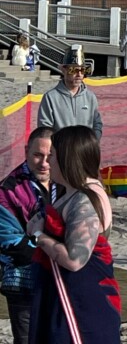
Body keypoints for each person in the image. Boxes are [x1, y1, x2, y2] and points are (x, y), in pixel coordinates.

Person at [26, 126, 121, 342]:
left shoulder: (84, 199)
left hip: (79, 299)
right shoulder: (72, 191)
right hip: (63, 292)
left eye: (53, 156)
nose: (48, 162)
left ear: (68, 159)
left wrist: (39, 235)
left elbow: (75, 260)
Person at [0, 127, 56, 344]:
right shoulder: (8, 191)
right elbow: (11, 243)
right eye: (37, 154)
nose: (43, 162)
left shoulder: (64, 182)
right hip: (23, 284)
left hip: (60, 281)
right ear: (26, 151)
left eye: (49, 156)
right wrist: (57, 248)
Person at [37, 51, 103, 139]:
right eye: (74, 70)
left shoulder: (90, 97)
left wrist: (93, 143)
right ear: (64, 70)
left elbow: (97, 124)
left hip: (84, 150)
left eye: (83, 70)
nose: (79, 74)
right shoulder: (50, 97)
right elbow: (44, 129)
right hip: (60, 150)